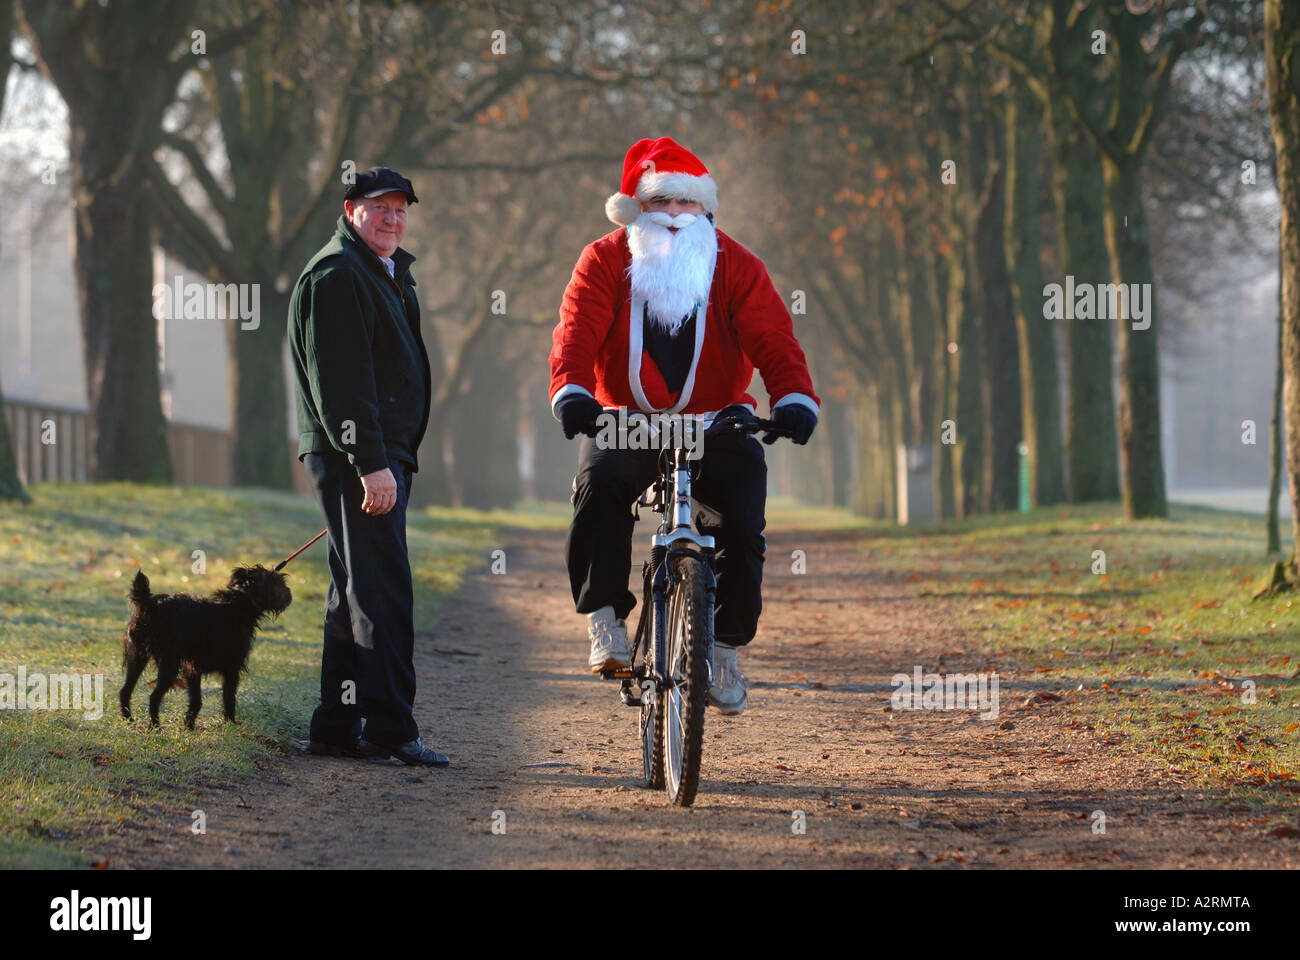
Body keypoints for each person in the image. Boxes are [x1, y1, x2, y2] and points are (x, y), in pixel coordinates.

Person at [548, 137, 820, 716]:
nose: (675, 214)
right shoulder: (602, 261)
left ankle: (722, 649)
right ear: (635, 209)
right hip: (624, 419)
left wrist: (793, 397)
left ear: (707, 211)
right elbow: (576, 331)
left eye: (688, 203)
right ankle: (604, 621)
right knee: (598, 487)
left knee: (744, 528)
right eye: (661, 201)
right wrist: (573, 391)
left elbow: (774, 340)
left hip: (718, 422)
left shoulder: (738, 265)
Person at [287, 165, 449, 766]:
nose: (392, 218)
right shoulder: (337, 275)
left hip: (374, 455)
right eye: (379, 207)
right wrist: (370, 464)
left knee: (352, 588)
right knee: (381, 590)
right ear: (351, 209)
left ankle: (337, 723)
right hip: (359, 456)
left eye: (401, 209)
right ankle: (390, 729)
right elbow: (343, 383)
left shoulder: (380, 271)